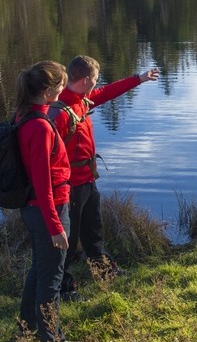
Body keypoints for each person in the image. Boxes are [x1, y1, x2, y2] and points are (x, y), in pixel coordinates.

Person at [48, 55, 159, 280]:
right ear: (87, 79)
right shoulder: (59, 111)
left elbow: (107, 93)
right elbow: (46, 157)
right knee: (69, 237)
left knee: (94, 230)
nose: (97, 83)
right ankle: (64, 285)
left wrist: (139, 79)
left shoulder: (82, 99)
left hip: (88, 180)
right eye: (96, 79)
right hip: (70, 187)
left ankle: (104, 271)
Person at [13, 60, 78, 342]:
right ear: (50, 90)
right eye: (62, 85)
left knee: (39, 269)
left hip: (34, 208)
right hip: (46, 209)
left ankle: (26, 327)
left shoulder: (24, 116)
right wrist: (55, 227)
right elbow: (42, 182)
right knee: (51, 279)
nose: (64, 91)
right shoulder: (39, 127)